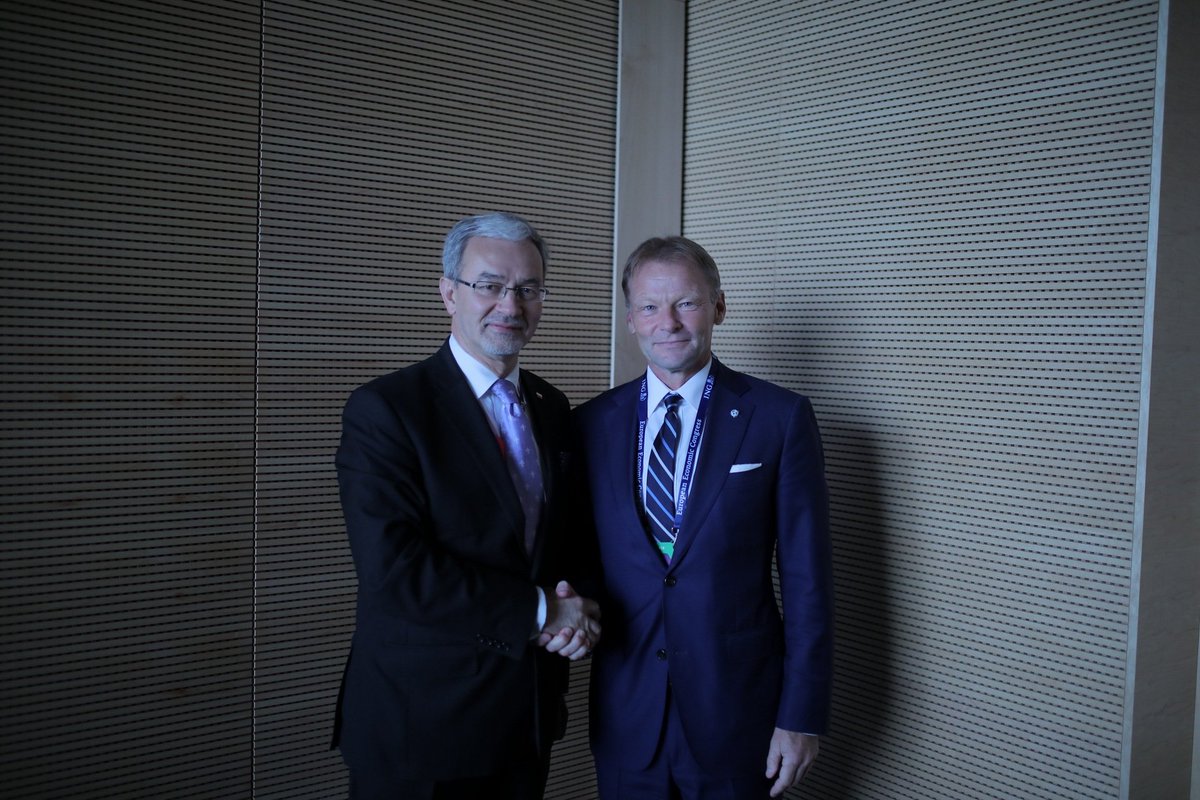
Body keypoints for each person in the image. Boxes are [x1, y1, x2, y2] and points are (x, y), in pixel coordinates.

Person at [333, 212, 601, 800]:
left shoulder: (552, 407)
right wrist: (543, 613)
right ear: (449, 293)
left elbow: (566, 539)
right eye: (490, 285)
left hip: (526, 718)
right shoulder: (388, 409)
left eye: (529, 288)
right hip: (422, 727)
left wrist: (577, 607)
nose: (511, 304)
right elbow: (394, 571)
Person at [572, 236, 834, 799]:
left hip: (739, 715)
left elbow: (808, 581)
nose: (667, 322)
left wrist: (801, 715)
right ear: (630, 319)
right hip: (628, 715)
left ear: (718, 306)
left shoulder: (779, 417)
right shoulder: (590, 424)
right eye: (649, 306)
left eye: (686, 302)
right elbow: (583, 557)